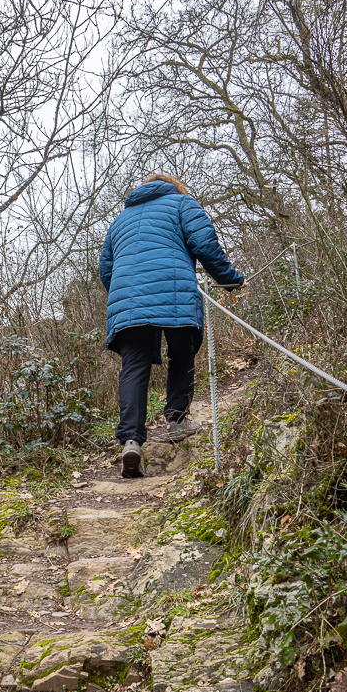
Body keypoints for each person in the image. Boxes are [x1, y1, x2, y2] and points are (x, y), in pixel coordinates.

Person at [99, 172, 244, 478]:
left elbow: (106, 271)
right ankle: (176, 420)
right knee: (181, 350)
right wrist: (229, 279)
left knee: (134, 365)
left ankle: (130, 441)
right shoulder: (182, 204)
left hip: (127, 300)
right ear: (173, 188)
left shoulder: (119, 221)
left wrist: (127, 293)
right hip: (174, 288)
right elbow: (204, 244)